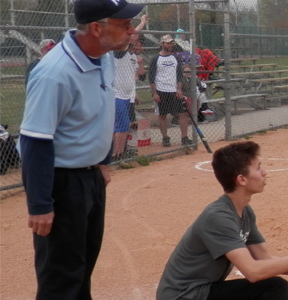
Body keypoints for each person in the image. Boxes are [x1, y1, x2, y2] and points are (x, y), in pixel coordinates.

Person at [19, 0, 142, 297]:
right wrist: (39, 204)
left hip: (90, 180)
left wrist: (102, 161)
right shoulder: (55, 73)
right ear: (97, 28)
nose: (131, 31)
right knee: (61, 277)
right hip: (62, 184)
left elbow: (100, 113)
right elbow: (35, 140)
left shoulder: (104, 56)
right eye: (124, 25)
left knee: (83, 267)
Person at [157, 141, 288, 300]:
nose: (264, 172)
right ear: (242, 180)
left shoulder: (244, 212)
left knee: (273, 285)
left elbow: (267, 260)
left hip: (201, 293)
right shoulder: (218, 217)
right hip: (183, 296)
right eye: (258, 168)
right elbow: (254, 272)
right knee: (273, 287)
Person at [111, 15, 148, 160]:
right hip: (117, 95)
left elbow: (133, 34)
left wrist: (142, 23)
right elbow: (132, 35)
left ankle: (119, 153)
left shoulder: (131, 55)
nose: (134, 39)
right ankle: (116, 154)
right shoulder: (119, 52)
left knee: (124, 127)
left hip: (127, 96)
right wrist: (139, 24)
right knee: (122, 127)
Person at [149, 35, 193, 147]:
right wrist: (154, 93)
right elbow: (151, 77)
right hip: (161, 90)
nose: (170, 45)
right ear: (162, 44)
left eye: (171, 43)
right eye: (167, 43)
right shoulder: (155, 59)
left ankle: (184, 137)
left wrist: (179, 89)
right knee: (162, 115)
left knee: (182, 113)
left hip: (174, 91)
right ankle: (165, 137)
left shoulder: (175, 58)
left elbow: (179, 75)